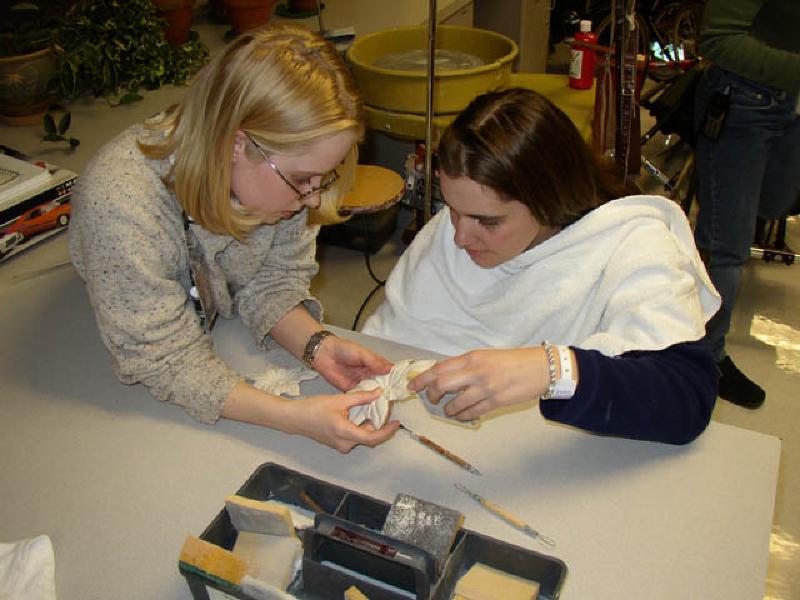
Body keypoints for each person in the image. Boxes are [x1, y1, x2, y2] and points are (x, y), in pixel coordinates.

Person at [70, 23, 400, 453]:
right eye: (303, 179)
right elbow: (164, 358)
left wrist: (318, 345)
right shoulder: (119, 201)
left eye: (324, 176)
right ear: (236, 144)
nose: (314, 196)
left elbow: (272, 281)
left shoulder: (286, 181)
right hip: (102, 349)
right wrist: (294, 419)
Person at [362, 87, 721, 445]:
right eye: (452, 209)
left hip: (551, 455)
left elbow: (687, 398)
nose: (458, 237)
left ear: (548, 198)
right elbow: (390, 341)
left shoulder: (629, 243)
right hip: (443, 439)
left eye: (487, 222)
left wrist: (555, 368)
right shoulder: (460, 224)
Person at [692, 0, 800, 409]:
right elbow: (718, 40)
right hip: (745, 100)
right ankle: (706, 357)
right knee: (727, 246)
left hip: (789, 102)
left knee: (774, 204)